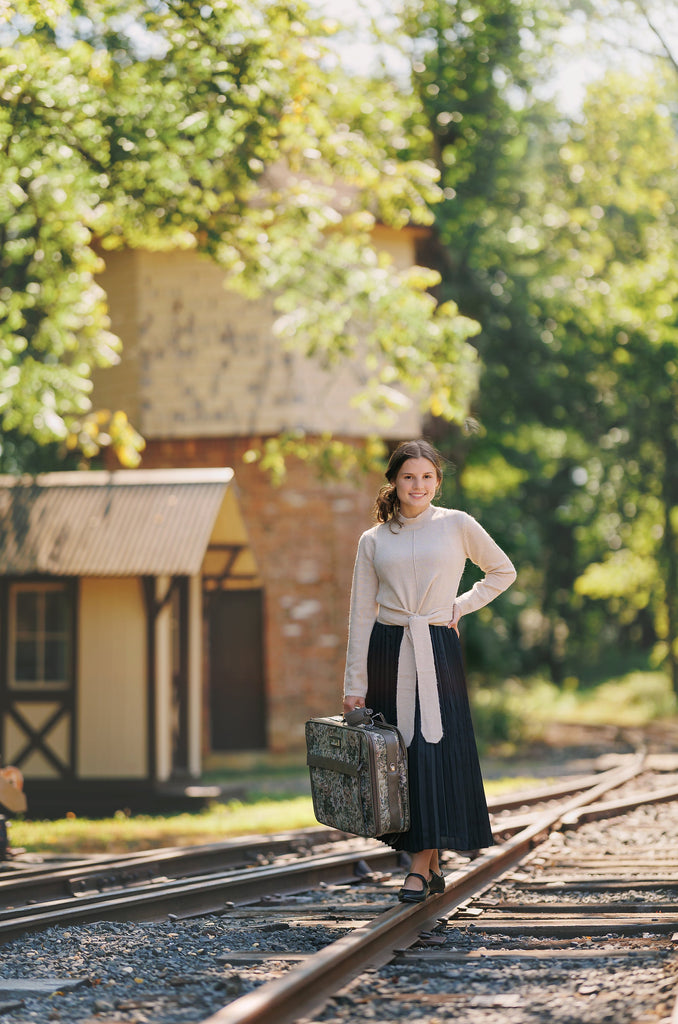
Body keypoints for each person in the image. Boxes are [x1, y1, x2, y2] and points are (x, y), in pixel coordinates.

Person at [343, 439, 516, 902]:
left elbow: (502, 571)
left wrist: (456, 608)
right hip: (388, 649)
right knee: (401, 757)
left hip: (436, 646)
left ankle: (419, 867)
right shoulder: (374, 540)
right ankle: (430, 864)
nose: (417, 485)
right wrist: (354, 686)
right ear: (394, 482)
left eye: (426, 477)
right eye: (408, 477)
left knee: (435, 752)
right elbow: (361, 613)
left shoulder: (457, 524)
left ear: (437, 482)